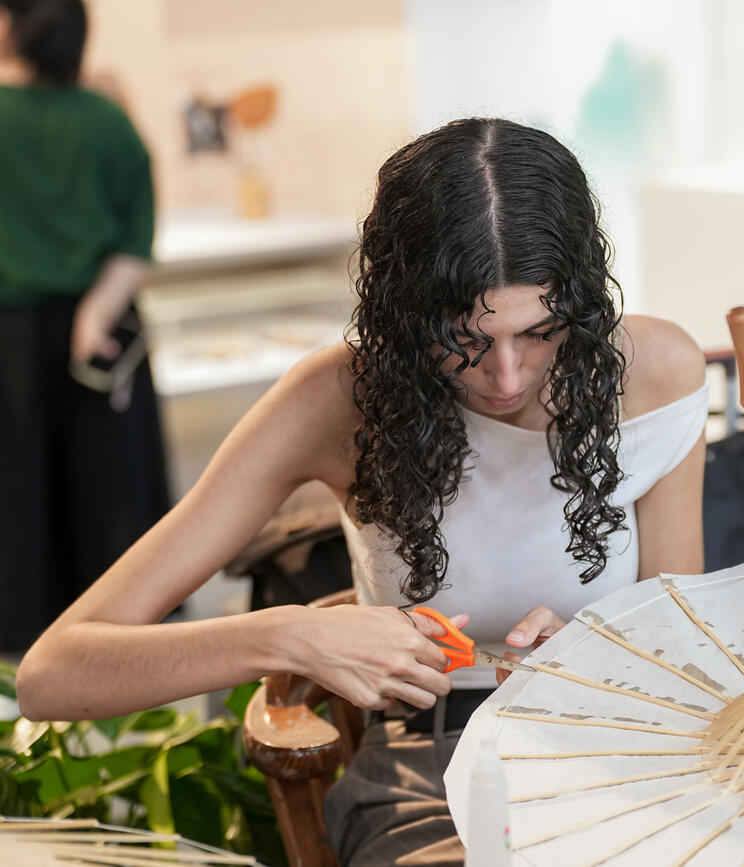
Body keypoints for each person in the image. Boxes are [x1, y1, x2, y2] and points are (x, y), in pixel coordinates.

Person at [17, 116, 708, 865]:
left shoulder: (655, 373)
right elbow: (54, 674)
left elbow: (686, 645)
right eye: (466, 339)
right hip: (428, 768)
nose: (507, 376)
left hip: (620, 742)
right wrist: (290, 637)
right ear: (405, 313)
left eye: (539, 332)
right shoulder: (333, 401)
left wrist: (592, 649)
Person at [0, 0, 170, 654]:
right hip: (99, 333)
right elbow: (137, 236)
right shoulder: (107, 121)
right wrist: (95, 311)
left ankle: (22, 663)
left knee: (16, 505)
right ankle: (117, 650)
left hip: (8, 341)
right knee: (110, 502)